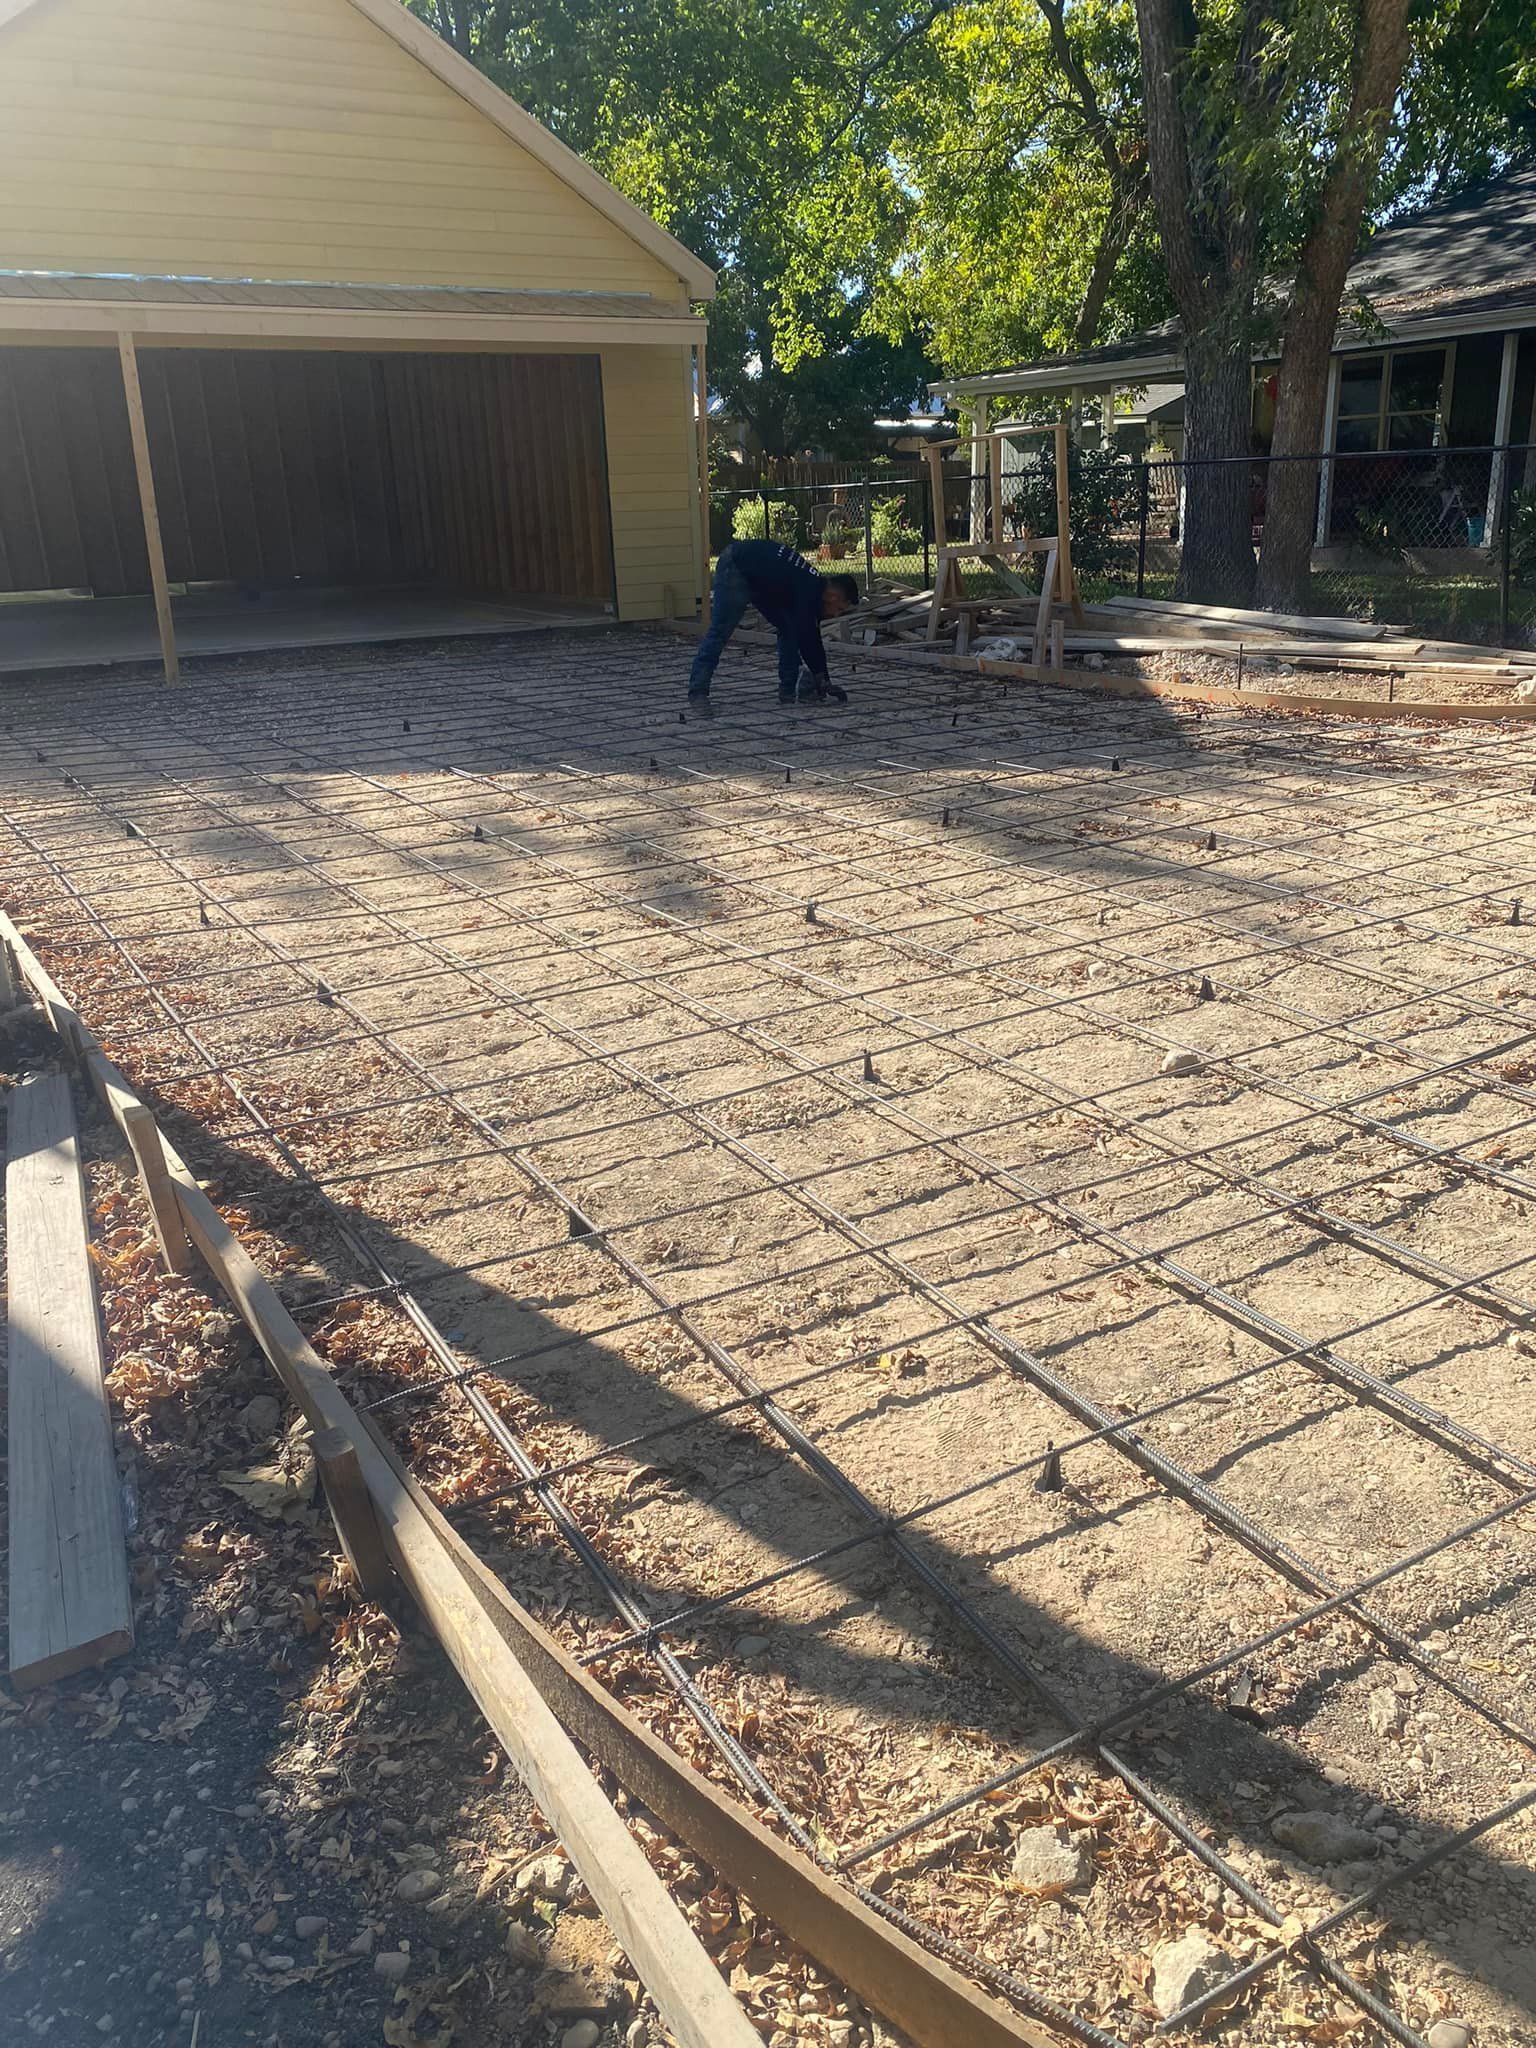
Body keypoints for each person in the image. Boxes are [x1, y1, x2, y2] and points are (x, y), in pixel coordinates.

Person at [687, 538, 859, 716]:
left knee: (788, 627)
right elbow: (808, 638)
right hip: (737, 566)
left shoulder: (811, 586)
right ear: (833, 596)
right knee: (720, 631)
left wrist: (823, 678)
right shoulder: (808, 590)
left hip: (761, 577)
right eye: (839, 609)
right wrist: (822, 678)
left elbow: (808, 634)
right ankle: (698, 692)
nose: (836, 615)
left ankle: (788, 692)